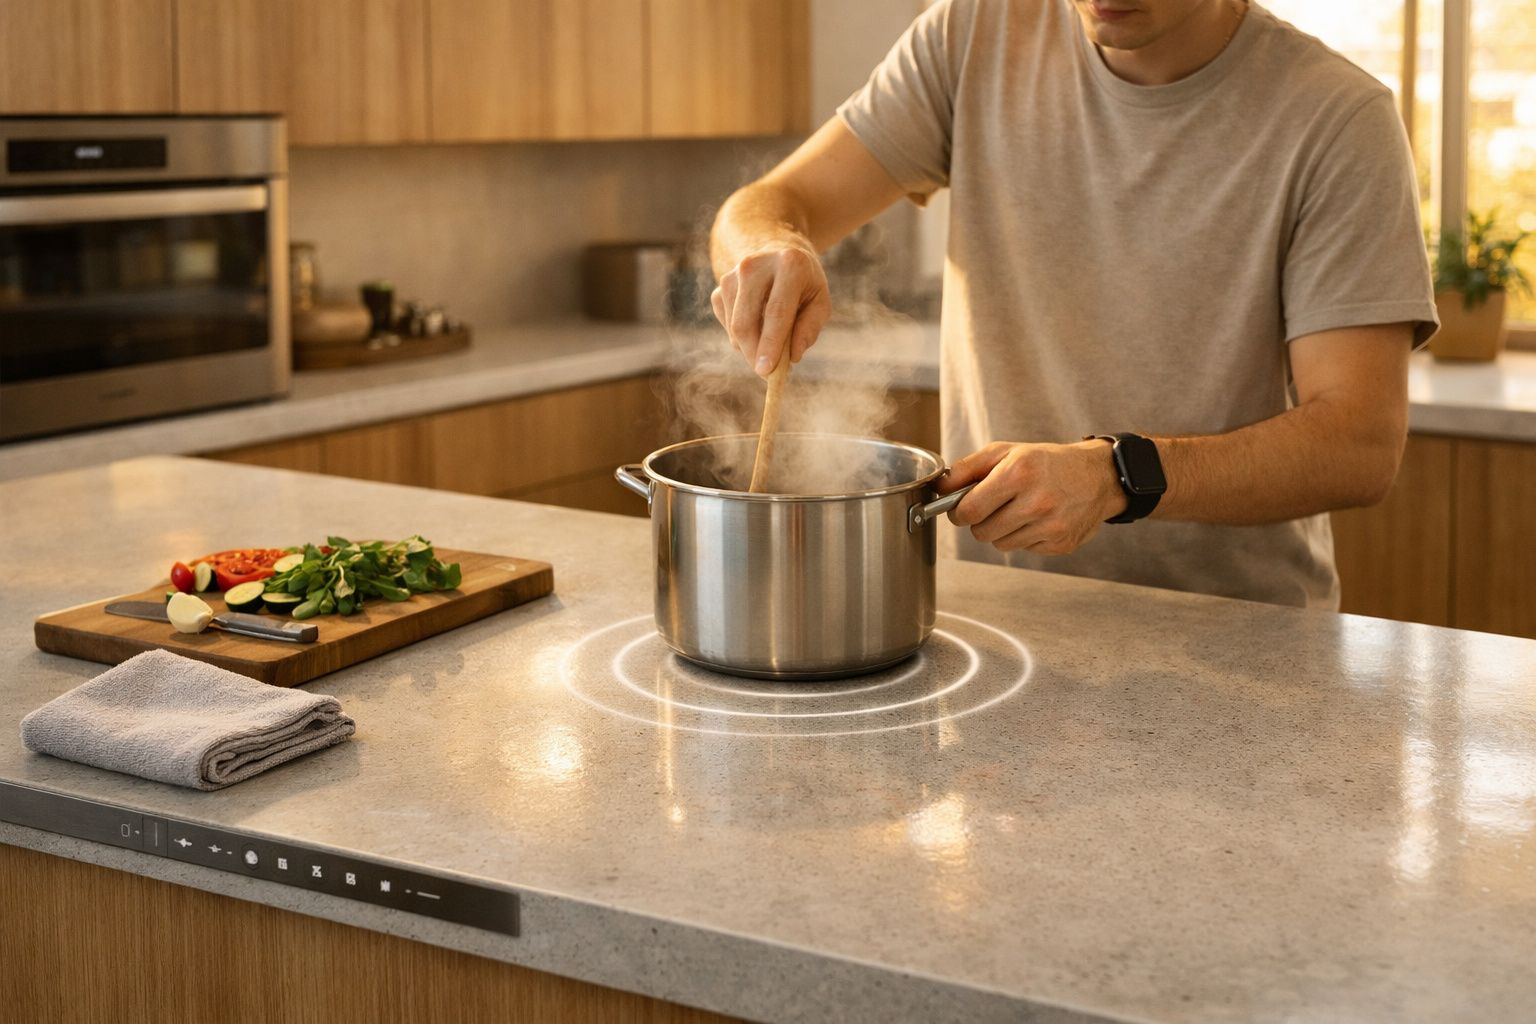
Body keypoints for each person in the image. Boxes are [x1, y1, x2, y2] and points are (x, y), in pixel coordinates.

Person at [708, 0, 1438, 608]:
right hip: (997, 623)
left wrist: (1120, 476)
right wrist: (770, 245)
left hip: (1237, 640)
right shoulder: (972, 36)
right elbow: (775, 203)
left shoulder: (1338, 119)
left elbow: (1359, 445)